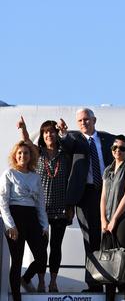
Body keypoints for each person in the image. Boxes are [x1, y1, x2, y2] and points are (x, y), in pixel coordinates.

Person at [59, 108, 115, 292]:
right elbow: (66, 144)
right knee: (89, 238)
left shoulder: (108, 140)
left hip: (108, 192)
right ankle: (93, 283)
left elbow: (124, 148)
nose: (84, 123)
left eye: (86, 119)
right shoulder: (75, 140)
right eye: (80, 121)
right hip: (86, 195)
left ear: (94, 120)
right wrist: (63, 133)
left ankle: (113, 280)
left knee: (110, 236)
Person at [17, 117, 73, 293]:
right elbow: (26, 142)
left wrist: (65, 131)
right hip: (40, 209)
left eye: (52, 131)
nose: (49, 134)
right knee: (41, 248)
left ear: (56, 134)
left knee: (56, 246)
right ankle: (40, 280)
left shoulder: (65, 153)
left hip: (61, 207)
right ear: (42, 135)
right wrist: (23, 129)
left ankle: (53, 282)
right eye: (46, 132)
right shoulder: (38, 152)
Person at [0, 141, 49, 301]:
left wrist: (44, 224)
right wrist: (10, 225)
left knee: (42, 256)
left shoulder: (35, 176)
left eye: (26, 153)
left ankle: (25, 278)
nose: (23, 155)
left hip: (32, 217)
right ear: (15, 155)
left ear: (30, 156)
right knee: (17, 260)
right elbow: (3, 202)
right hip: (15, 217)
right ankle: (16, 297)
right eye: (19, 153)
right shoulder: (9, 173)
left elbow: (40, 202)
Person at [100, 135, 125, 301]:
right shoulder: (107, 170)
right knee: (109, 257)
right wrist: (103, 219)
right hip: (108, 220)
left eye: (122, 148)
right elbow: (102, 197)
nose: (117, 151)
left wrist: (114, 219)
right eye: (115, 148)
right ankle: (109, 296)